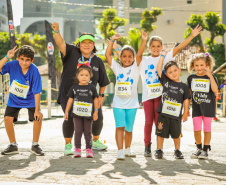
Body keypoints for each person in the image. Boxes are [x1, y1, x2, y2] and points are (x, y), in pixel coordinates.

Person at [136, 25, 202, 156]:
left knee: (158, 122)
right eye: (153, 46)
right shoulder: (145, 59)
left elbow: (179, 47)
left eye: (158, 46)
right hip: (148, 96)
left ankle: (158, 148)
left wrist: (192, 36)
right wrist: (143, 40)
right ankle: (147, 145)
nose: (156, 48)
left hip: (161, 96)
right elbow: (138, 55)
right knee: (148, 121)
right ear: (149, 48)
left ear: (162, 47)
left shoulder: (166, 57)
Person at [52, 22, 110, 155]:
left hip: (89, 97)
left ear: (93, 45)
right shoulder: (71, 52)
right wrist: (56, 31)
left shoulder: (98, 61)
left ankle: (95, 142)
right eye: (84, 42)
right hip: (69, 95)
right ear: (79, 44)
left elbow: (103, 82)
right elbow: (60, 44)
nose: (87, 45)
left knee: (98, 117)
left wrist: (100, 96)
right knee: (70, 118)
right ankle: (68, 145)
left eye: (90, 42)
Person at [0, 45, 44, 156]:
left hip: (30, 99)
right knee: (7, 118)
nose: (24, 62)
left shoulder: (34, 70)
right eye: (22, 59)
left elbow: (37, 91)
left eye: (27, 60)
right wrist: (7, 57)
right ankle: (13, 145)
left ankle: (35, 145)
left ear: (32, 60)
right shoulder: (12, 64)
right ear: (18, 58)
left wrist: (37, 110)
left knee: (38, 117)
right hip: (14, 99)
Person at [105, 34, 140, 160]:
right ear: (120, 57)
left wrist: (144, 40)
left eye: (130, 56)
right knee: (120, 126)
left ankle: (127, 149)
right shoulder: (117, 68)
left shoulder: (136, 68)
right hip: (118, 103)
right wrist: (112, 42)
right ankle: (120, 151)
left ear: (133, 58)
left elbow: (139, 54)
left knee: (129, 129)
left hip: (132, 104)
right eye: (124, 56)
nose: (127, 59)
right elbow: (108, 56)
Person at [155, 51, 191, 159]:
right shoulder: (166, 81)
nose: (173, 73)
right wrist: (162, 56)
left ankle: (177, 150)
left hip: (176, 116)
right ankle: (159, 150)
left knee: (177, 134)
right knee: (160, 133)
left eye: (175, 70)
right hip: (164, 114)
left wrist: (185, 113)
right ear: (166, 74)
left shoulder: (183, 86)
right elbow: (158, 69)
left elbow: (186, 100)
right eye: (170, 72)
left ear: (179, 70)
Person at [187, 53, 218, 159]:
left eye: (201, 65)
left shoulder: (211, 77)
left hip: (208, 108)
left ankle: (205, 150)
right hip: (196, 108)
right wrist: (186, 108)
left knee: (207, 129)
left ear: (207, 64)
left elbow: (215, 90)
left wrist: (210, 76)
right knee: (196, 129)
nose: (199, 68)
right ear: (192, 66)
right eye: (196, 65)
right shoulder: (191, 78)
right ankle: (199, 148)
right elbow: (189, 94)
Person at [64, 64, 99, 158]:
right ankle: (77, 149)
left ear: (90, 76)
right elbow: (70, 100)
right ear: (77, 76)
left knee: (88, 131)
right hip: (76, 114)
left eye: (86, 75)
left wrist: (96, 111)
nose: (84, 77)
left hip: (88, 115)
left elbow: (96, 100)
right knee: (78, 131)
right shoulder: (74, 88)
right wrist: (66, 111)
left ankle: (89, 149)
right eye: (82, 75)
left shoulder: (92, 88)